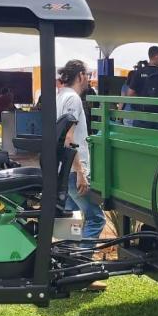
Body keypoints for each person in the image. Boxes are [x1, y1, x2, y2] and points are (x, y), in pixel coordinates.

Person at [56, 59, 107, 289]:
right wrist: (80, 172)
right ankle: (81, 273)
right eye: (87, 74)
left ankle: (65, 270)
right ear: (80, 76)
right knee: (96, 218)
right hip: (72, 169)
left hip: (61, 169)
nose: (89, 78)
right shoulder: (74, 99)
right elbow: (68, 139)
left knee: (70, 221)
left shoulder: (59, 96)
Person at [128, 46, 158, 129]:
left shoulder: (139, 72)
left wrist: (143, 102)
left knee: (140, 140)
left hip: (141, 116)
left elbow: (130, 93)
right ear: (157, 56)